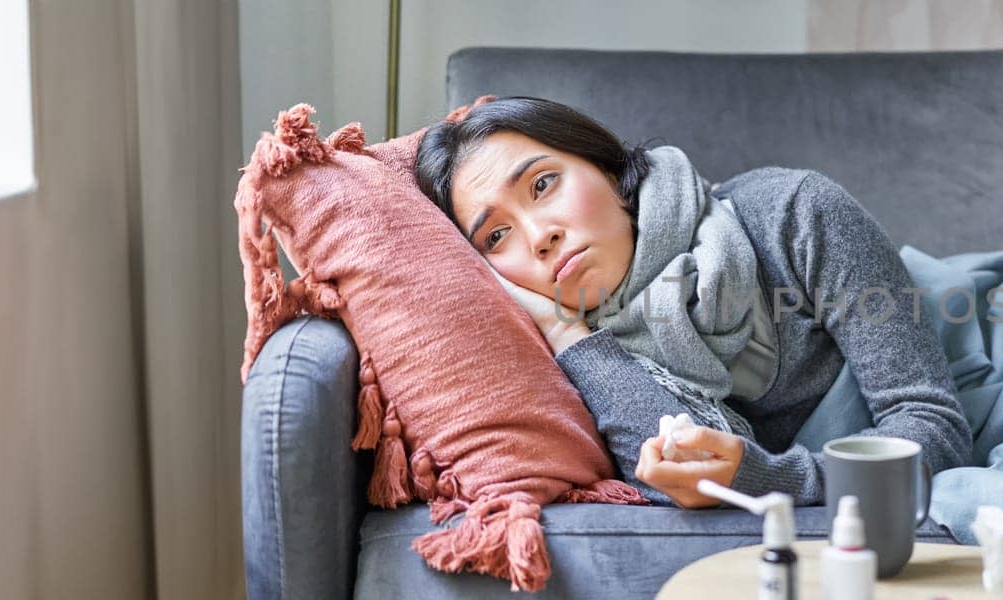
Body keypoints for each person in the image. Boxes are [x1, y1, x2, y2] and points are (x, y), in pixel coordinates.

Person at [414, 96, 973, 508]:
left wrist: (771, 476)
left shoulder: (796, 213)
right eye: (495, 237)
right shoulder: (561, 342)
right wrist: (567, 336)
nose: (539, 235)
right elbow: (661, 476)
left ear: (607, 168)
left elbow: (933, 426)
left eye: (542, 185)